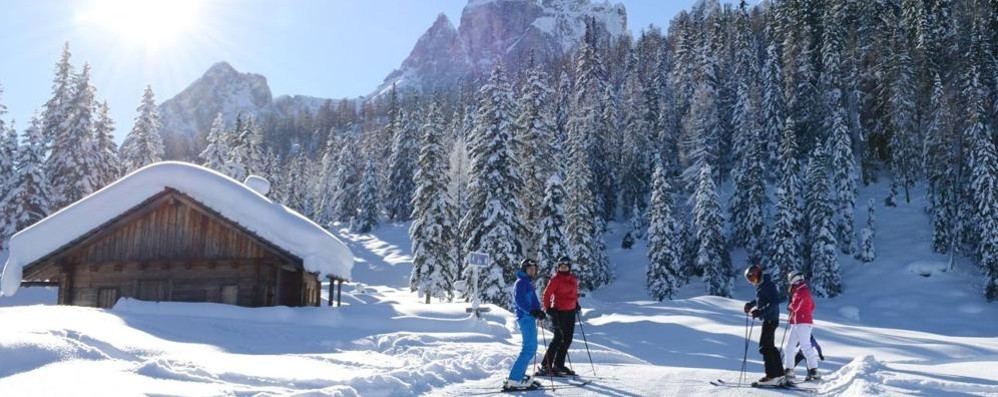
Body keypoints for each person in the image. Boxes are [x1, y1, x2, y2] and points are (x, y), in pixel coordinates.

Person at [504, 259, 547, 391]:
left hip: (529, 318)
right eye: (529, 268)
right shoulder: (521, 282)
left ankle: (518, 376)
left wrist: (538, 312)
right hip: (525, 318)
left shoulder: (527, 283)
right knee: (528, 348)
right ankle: (514, 379)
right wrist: (532, 311)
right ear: (524, 269)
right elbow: (520, 301)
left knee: (530, 348)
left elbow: (531, 301)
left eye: (534, 269)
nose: (532, 271)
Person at [537, 256, 580, 377]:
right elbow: (546, 294)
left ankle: (559, 365)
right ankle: (546, 364)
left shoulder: (573, 279)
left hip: (570, 312)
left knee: (568, 339)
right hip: (559, 312)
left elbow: (574, 293)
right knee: (558, 339)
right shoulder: (556, 279)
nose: (563, 268)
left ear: (569, 267)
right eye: (561, 266)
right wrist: (548, 308)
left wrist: (576, 304)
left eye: (565, 266)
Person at [743, 264, 784, 386]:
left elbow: (774, 303)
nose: (752, 282)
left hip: (770, 319)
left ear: (757, 274)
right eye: (749, 280)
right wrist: (751, 305)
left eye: (752, 278)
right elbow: (760, 299)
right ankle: (779, 375)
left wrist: (760, 311)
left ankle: (771, 376)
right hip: (769, 319)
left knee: (765, 347)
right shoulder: (762, 285)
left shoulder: (768, 285)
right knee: (770, 347)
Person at [783, 271, 821, 383]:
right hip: (798, 322)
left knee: (805, 347)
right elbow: (812, 305)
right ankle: (789, 370)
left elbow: (795, 305)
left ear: (794, 279)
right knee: (789, 347)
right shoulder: (800, 289)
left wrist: (792, 307)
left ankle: (814, 370)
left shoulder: (802, 290)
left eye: (790, 279)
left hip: (802, 322)